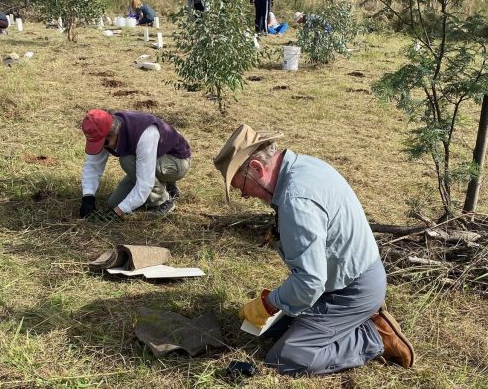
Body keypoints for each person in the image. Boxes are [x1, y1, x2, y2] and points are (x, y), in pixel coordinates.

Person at [213, 124, 415, 376]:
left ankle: (371, 336)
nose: (243, 195)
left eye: (240, 185)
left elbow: (310, 281)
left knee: (284, 359)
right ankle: (349, 323)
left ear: (256, 168)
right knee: (273, 330)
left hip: (351, 290)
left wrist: (269, 302)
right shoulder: (301, 166)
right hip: (340, 279)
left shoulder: (297, 201)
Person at [79, 109, 192, 221]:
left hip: (177, 161)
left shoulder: (145, 133)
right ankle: (164, 184)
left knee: (127, 160)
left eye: (105, 143)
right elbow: (93, 166)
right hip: (148, 161)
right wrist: (88, 197)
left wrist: (118, 212)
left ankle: (164, 201)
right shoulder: (102, 130)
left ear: (113, 133)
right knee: (113, 203)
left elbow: (145, 184)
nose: (104, 147)